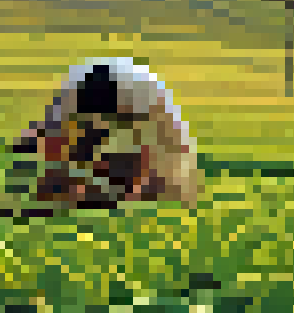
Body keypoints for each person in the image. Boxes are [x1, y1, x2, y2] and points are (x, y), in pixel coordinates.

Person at [10, 59, 203, 210]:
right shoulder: (85, 97)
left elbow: (160, 174)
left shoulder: (155, 120)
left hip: (152, 152)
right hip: (108, 90)